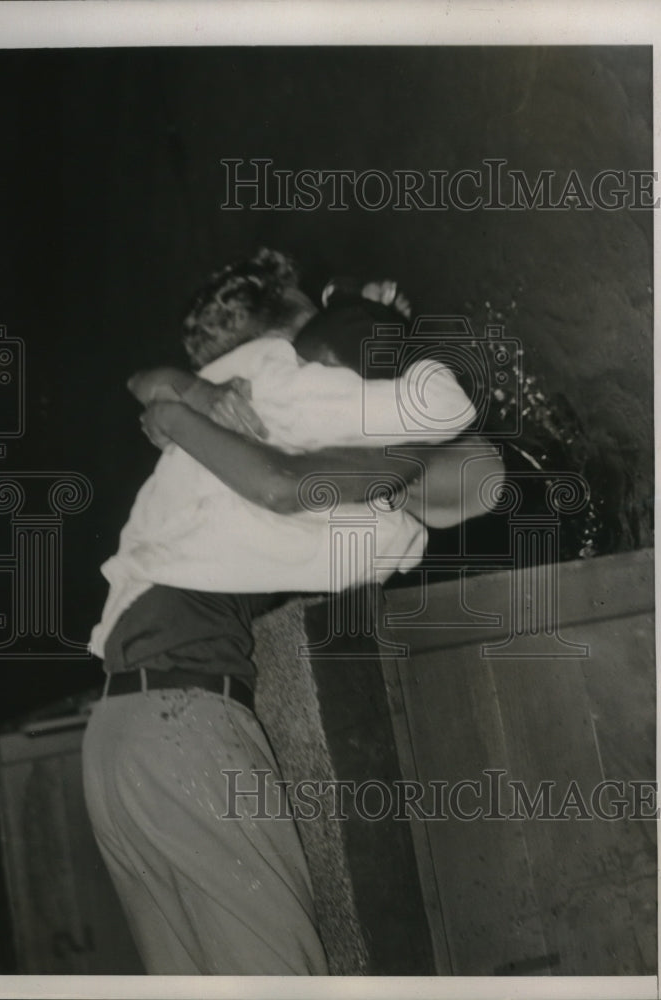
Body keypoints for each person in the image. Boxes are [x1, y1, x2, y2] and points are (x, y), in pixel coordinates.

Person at [82, 249, 503, 975]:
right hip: (184, 722)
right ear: (289, 328)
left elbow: (334, 513)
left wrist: (175, 399)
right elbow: (445, 412)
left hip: (119, 741)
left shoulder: (214, 421)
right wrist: (371, 327)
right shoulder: (272, 376)